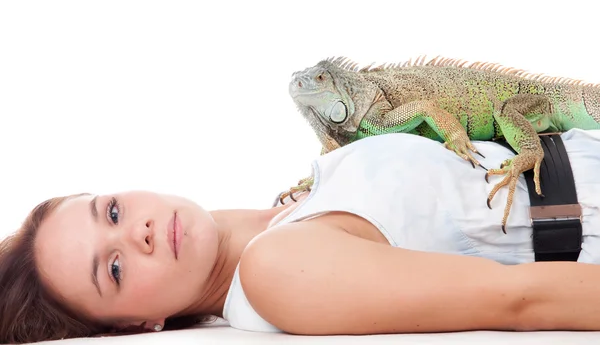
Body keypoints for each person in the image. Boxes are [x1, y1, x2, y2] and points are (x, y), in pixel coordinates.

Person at [3, 128, 600, 344]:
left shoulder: (290, 210)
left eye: (110, 212)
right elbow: (520, 299)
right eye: (113, 270)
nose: (141, 233)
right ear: (137, 327)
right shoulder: (278, 272)